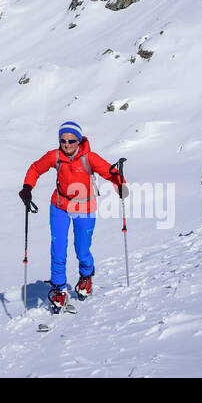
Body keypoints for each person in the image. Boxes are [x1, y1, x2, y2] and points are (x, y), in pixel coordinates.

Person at [18, 121, 125, 311]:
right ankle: (58, 289)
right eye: (63, 140)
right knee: (58, 248)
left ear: (79, 140)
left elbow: (111, 172)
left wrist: (121, 186)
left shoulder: (89, 158)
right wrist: (27, 187)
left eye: (71, 140)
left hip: (85, 207)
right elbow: (35, 168)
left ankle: (86, 276)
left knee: (82, 249)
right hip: (59, 205)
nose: (66, 144)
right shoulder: (55, 156)